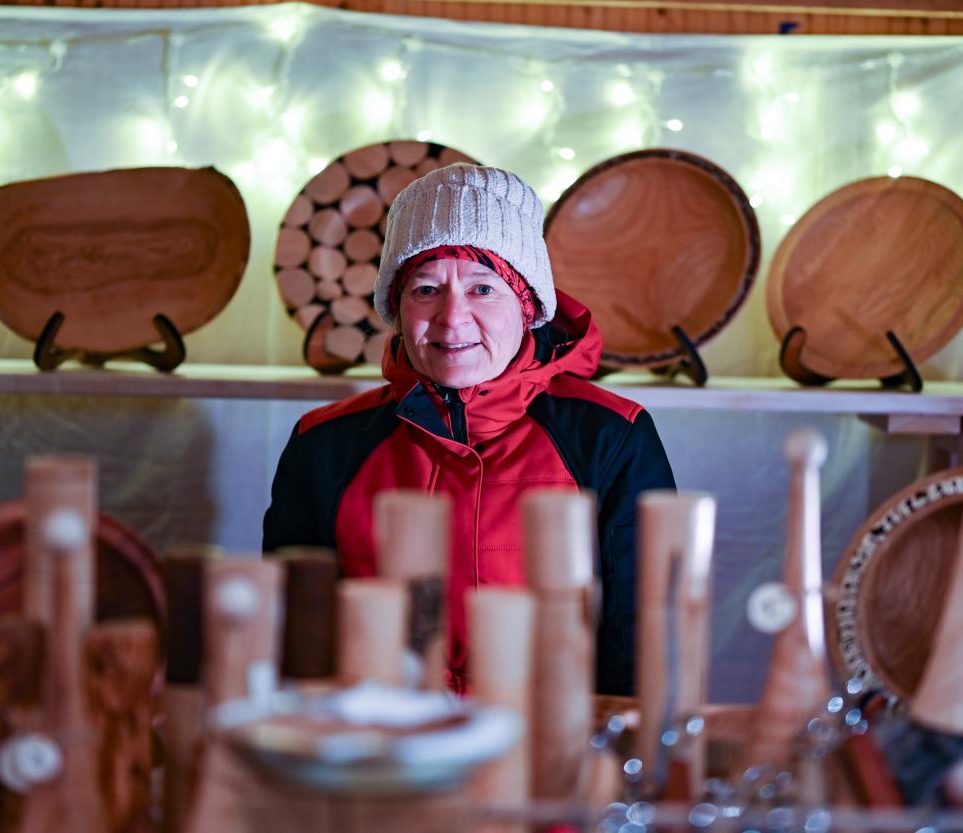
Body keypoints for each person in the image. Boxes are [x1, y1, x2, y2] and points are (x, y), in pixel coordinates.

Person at [263, 163, 675, 695]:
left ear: (527, 306)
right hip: (378, 736)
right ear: (397, 309)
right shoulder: (323, 445)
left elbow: (637, 640)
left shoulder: (611, 437)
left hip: (550, 734)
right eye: (426, 289)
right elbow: (295, 639)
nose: (452, 318)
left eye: (482, 288)